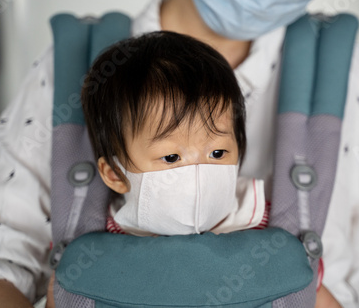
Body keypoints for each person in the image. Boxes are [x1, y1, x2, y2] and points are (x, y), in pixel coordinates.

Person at [0, 0, 359, 307]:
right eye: (171, 155)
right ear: (111, 170)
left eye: (217, 152)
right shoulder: (76, 69)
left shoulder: (342, 72)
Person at [83, 31, 266, 237]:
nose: (199, 174)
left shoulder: (261, 221)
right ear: (115, 174)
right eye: (171, 158)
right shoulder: (96, 239)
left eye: (217, 153)